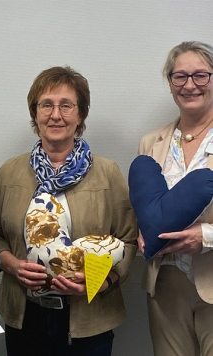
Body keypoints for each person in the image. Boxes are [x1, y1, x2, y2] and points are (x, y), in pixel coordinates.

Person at [0, 66, 137, 356]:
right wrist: (11, 264)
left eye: (66, 105)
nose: (56, 115)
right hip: (24, 317)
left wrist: (100, 282)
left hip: (89, 320)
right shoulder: (10, 171)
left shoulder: (107, 172)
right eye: (46, 105)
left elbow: (128, 240)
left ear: (80, 115)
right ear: (35, 113)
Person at [137, 41, 213, 356]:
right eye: (179, 76)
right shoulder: (150, 143)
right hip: (164, 284)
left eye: (201, 75)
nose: (189, 84)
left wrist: (206, 236)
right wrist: (142, 233)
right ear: (170, 83)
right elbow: (143, 205)